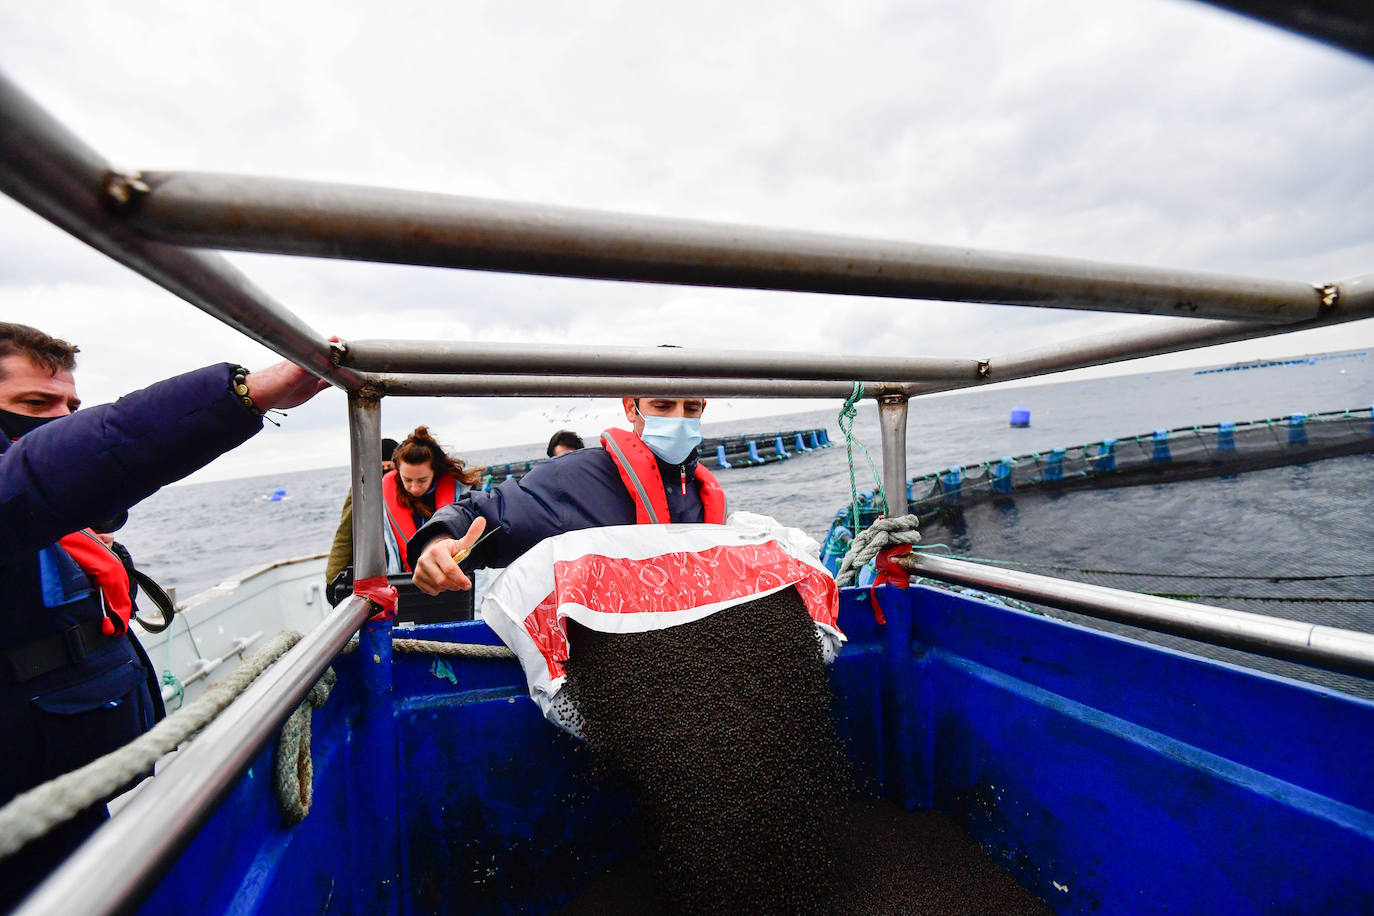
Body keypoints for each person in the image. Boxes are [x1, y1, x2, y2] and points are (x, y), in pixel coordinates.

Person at [0, 322, 328, 908]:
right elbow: (42, 476)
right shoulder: (24, 491)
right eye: (33, 404)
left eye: (70, 406)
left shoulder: (65, 511)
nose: (61, 420)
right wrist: (243, 396)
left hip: (67, 780)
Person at [410, 396, 725, 596]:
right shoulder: (568, 479)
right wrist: (438, 542)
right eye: (663, 406)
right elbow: (485, 514)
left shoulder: (703, 491)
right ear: (631, 407)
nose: (678, 418)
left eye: (691, 408)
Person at [383, 426, 484, 573]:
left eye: (422, 480)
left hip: (452, 578)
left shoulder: (461, 494)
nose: (414, 488)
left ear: (434, 470)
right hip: (405, 582)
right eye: (407, 480)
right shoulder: (382, 500)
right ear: (398, 471)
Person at [324, 436, 398, 591]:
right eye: (381, 468)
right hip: (371, 570)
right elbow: (345, 535)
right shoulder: (361, 490)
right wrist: (333, 578)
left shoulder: (410, 489)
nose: (385, 473)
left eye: (390, 468)